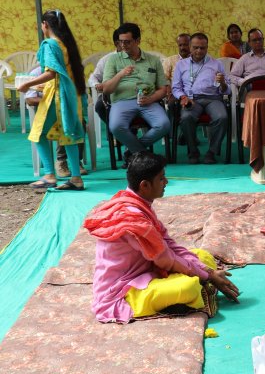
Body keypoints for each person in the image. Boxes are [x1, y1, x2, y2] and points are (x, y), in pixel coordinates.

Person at [84, 151, 240, 323]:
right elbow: (165, 259)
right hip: (122, 289)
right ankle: (141, 301)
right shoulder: (132, 218)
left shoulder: (137, 203)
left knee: (202, 256)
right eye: (161, 178)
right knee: (187, 288)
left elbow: (168, 244)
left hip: (145, 269)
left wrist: (207, 271)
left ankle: (197, 282)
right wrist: (208, 276)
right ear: (144, 185)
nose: (166, 182)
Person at [17, 10, 88, 191]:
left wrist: (28, 84)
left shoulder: (49, 45)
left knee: (38, 133)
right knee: (69, 134)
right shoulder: (66, 45)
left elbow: (51, 73)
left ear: (45, 25)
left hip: (56, 98)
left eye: (41, 24)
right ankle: (76, 179)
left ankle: (49, 174)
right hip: (70, 96)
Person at [102, 22, 171, 167]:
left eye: (127, 42)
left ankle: (132, 152)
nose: (123, 45)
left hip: (149, 101)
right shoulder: (113, 59)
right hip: (122, 101)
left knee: (164, 125)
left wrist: (151, 98)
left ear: (138, 41)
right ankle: (143, 154)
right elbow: (106, 90)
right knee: (115, 126)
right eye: (121, 42)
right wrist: (120, 74)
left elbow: (163, 89)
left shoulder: (153, 60)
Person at [23, 61, 88, 180]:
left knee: (75, 127)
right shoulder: (37, 72)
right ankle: (64, 165)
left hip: (64, 107)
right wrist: (48, 100)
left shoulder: (70, 69)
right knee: (46, 132)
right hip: (50, 108)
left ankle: (63, 168)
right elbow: (30, 100)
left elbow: (81, 93)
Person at [171, 33, 230, 165]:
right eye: (195, 47)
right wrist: (183, 97)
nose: (199, 51)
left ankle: (212, 152)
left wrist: (223, 83)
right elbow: (175, 87)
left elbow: (227, 90)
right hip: (191, 99)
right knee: (186, 118)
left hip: (213, 99)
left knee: (222, 117)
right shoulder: (181, 65)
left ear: (207, 47)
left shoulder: (217, 64)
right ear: (190, 47)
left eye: (202, 48)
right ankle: (193, 151)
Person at [90, 28, 122, 124]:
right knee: (100, 106)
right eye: (123, 42)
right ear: (116, 43)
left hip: (134, 93)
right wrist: (96, 84)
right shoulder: (106, 59)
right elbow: (93, 77)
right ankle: (114, 132)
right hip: (111, 93)